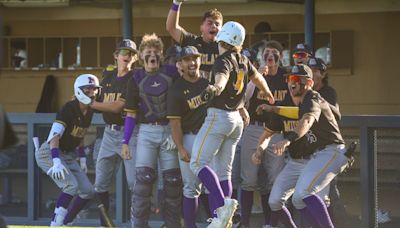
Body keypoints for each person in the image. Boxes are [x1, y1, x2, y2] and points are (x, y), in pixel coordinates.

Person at [189, 21, 274, 228]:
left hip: (219, 117)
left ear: (223, 39)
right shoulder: (244, 59)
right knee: (224, 172)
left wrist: (215, 88)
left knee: (197, 163)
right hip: (237, 120)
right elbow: (258, 77)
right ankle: (225, 221)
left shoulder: (223, 59)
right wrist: (268, 93)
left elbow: (221, 78)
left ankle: (222, 209)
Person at [256, 64, 349, 228]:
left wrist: (288, 140)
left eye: (299, 79)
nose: (293, 82)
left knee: (305, 193)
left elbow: (306, 120)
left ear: (310, 83)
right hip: (312, 157)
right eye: (290, 78)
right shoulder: (292, 103)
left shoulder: (312, 97)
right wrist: (260, 148)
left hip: (331, 151)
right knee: (297, 199)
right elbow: (293, 113)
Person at [121, 33, 182, 228]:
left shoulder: (172, 73)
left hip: (169, 130)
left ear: (162, 54)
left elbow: (183, 102)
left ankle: (172, 225)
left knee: (172, 182)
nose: (152, 55)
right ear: (140, 55)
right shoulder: (135, 78)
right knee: (143, 181)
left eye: (156, 51)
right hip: (147, 131)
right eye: (148, 52)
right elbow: (130, 114)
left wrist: (178, 134)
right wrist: (125, 141)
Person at [34, 74, 100, 226]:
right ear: (79, 91)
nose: (92, 93)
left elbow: (80, 134)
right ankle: (55, 224)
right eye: (88, 89)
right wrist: (56, 160)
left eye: (94, 89)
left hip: (68, 154)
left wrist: (82, 157)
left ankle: (66, 221)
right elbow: (54, 137)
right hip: (50, 152)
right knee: (71, 186)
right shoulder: (68, 109)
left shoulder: (89, 111)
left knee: (88, 191)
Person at [89, 39, 138, 226]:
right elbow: (97, 103)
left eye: (132, 53)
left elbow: (118, 107)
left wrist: (91, 103)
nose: (128, 56)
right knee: (100, 184)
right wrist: (83, 98)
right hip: (109, 134)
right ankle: (105, 224)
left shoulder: (134, 78)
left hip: (130, 133)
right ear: (116, 55)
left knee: (135, 184)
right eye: (124, 52)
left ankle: (137, 223)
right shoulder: (107, 77)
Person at [240, 40, 288, 228]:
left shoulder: (286, 77)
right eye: (266, 52)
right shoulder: (256, 74)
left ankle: (271, 224)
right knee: (248, 179)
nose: (270, 56)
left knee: (274, 180)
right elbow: (245, 97)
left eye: (274, 53)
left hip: (276, 131)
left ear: (281, 57)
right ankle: (245, 223)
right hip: (253, 128)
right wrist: (258, 75)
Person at [167, 46, 210, 228]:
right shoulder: (176, 89)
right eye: (187, 59)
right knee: (191, 188)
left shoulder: (208, 84)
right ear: (180, 64)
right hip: (190, 138)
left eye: (195, 58)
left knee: (212, 186)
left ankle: (220, 224)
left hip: (210, 138)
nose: (192, 62)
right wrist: (181, 147)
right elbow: (175, 123)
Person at [308, 56, 348, 227]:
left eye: (315, 70)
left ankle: (341, 224)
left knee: (330, 194)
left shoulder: (328, 91)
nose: (311, 72)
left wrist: (318, 98)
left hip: (329, 149)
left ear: (323, 74)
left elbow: (336, 114)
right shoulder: (304, 90)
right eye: (309, 69)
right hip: (311, 149)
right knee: (311, 193)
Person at [166, 0, 223, 82]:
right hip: (193, 91)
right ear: (201, 28)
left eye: (217, 24)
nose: (213, 26)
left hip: (216, 91)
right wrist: (176, 3)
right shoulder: (192, 41)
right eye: (209, 23)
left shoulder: (224, 47)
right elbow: (171, 28)